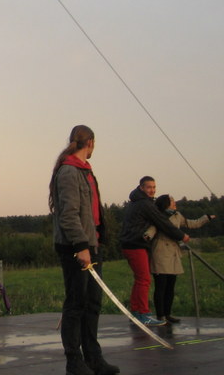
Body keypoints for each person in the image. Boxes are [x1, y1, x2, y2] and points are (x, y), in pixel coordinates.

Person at [48, 125, 119, 375]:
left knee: (92, 304)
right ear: (89, 142)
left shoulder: (85, 170)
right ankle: (74, 362)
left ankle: (93, 358)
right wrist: (81, 247)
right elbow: (68, 215)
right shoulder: (68, 171)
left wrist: (96, 241)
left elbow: (92, 211)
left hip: (92, 243)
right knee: (76, 304)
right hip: (75, 247)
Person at [119, 176, 188, 326]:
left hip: (131, 243)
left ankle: (136, 311)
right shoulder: (144, 204)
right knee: (144, 279)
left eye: (154, 187)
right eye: (149, 187)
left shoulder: (138, 202)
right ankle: (143, 314)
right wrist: (181, 235)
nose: (152, 190)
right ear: (141, 188)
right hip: (135, 244)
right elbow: (162, 222)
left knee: (140, 279)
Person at [147, 194, 215, 323]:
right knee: (161, 286)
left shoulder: (178, 215)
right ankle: (160, 315)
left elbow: (191, 223)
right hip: (161, 252)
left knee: (171, 286)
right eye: (172, 201)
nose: (174, 203)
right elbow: (152, 229)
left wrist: (206, 218)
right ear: (166, 203)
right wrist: (147, 236)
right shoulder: (158, 216)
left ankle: (167, 314)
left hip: (173, 253)